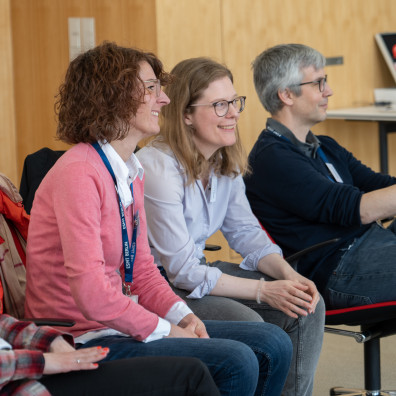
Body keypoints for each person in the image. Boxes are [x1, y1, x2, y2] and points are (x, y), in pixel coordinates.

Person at [24, 42, 293, 396]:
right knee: (237, 360)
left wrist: (182, 316)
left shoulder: (129, 169)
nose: (163, 100)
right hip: (81, 338)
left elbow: (144, 271)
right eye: (151, 88)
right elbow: (91, 293)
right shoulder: (79, 172)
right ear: (113, 97)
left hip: (115, 322)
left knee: (273, 341)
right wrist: (164, 329)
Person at [136, 57, 325, 396]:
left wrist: (288, 276)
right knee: (250, 325)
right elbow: (181, 272)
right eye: (220, 105)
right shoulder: (158, 167)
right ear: (186, 115)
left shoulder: (224, 161)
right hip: (161, 287)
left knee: (308, 305)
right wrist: (263, 290)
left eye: (234, 102)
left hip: (197, 273)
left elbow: (247, 235)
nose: (234, 114)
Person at [244, 43, 396, 310]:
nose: (329, 91)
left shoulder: (324, 146)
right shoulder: (272, 158)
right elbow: (354, 209)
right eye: (319, 83)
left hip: (369, 246)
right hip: (336, 268)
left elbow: (381, 186)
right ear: (287, 94)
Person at [0, 314, 220, 396]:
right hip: (21, 380)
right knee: (193, 373)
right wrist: (44, 362)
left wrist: (51, 341)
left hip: (37, 363)